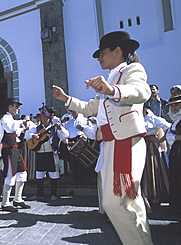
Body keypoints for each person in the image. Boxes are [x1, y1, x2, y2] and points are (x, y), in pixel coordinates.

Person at [53, 31, 153, 244]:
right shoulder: (110, 78)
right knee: (130, 202)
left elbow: (141, 91)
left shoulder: (132, 69)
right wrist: (66, 98)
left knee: (113, 203)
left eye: (103, 53)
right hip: (111, 144)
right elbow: (92, 108)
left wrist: (111, 90)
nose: (99, 58)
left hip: (126, 142)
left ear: (118, 51)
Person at [25, 107, 68, 201]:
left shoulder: (55, 128)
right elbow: (26, 136)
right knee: (39, 174)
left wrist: (60, 128)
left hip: (51, 153)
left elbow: (65, 135)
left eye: (46, 118)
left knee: (53, 174)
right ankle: (39, 194)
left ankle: (54, 194)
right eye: (42, 118)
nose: (44, 120)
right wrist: (33, 135)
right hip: (40, 153)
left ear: (50, 119)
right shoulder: (36, 128)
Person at [0, 98, 30, 212]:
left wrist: (23, 128)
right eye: (16, 106)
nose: (18, 109)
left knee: (22, 173)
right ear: (10, 107)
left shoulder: (11, 119)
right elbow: (10, 128)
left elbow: (15, 133)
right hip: (8, 150)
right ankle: (5, 203)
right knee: (10, 175)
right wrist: (22, 121)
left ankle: (18, 199)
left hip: (15, 149)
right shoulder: (5, 118)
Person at [142, 107, 170, 207]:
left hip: (152, 146)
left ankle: (156, 193)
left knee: (154, 168)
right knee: (143, 169)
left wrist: (159, 140)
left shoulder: (153, 119)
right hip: (140, 146)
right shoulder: (136, 118)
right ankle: (146, 193)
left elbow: (168, 127)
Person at [165, 95, 181, 215]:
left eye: (177, 104)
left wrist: (174, 137)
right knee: (176, 176)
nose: (174, 107)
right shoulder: (175, 119)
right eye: (172, 105)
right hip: (176, 151)